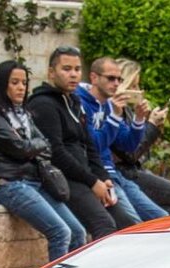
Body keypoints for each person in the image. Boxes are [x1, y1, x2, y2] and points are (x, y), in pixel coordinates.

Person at [0, 60, 85, 262]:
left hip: (35, 181)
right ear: (1, 84)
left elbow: (47, 145)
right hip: (9, 184)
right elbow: (19, 148)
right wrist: (33, 147)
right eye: (14, 82)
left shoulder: (23, 113)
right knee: (60, 232)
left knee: (78, 232)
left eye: (24, 83)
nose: (21, 88)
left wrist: (32, 147)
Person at [26, 46, 138, 238]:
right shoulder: (43, 104)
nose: (73, 74)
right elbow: (56, 153)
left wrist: (103, 177)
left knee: (128, 227)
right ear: (51, 72)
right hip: (65, 179)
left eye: (77, 69)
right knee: (105, 227)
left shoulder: (74, 102)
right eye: (66, 69)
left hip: (87, 177)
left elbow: (90, 146)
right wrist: (93, 181)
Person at [75, 56, 168, 222]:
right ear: (94, 78)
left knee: (162, 219)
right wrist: (115, 117)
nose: (116, 84)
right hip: (99, 176)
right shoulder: (80, 103)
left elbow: (129, 145)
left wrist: (139, 119)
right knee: (134, 226)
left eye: (119, 79)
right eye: (111, 78)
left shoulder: (110, 105)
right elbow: (93, 146)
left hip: (115, 175)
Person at [111, 59, 170, 215]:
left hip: (133, 171)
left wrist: (151, 124)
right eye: (133, 86)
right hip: (124, 174)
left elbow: (140, 148)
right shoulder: (113, 111)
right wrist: (151, 125)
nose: (138, 91)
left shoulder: (129, 111)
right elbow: (131, 154)